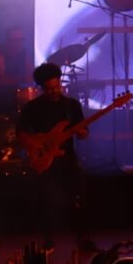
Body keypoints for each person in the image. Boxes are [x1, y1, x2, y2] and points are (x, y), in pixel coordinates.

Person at [19, 63, 84, 243]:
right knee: (47, 198)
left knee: (80, 193)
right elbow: (22, 135)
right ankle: (48, 239)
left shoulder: (72, 105)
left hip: (67, 156)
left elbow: (84, 134)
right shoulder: (32, 108)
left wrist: (81, 132)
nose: (54, 91)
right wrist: (39, 146)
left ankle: (82, 238)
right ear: (42, 87)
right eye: (49, 89)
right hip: (45, 159)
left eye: (56, 87)